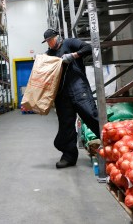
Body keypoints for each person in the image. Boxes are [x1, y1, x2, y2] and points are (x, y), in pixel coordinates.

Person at [42, 29, 101, 169]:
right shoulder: (49, 54)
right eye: (47, 41)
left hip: (78, 88)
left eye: (51, 39)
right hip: (61, 94)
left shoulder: (69, 43)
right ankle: (69, 156)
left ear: (57, 37)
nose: (50, 43)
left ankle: (112, 144)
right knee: (66, 125)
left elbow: (89, 47)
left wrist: (74, 55)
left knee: (91, 116)